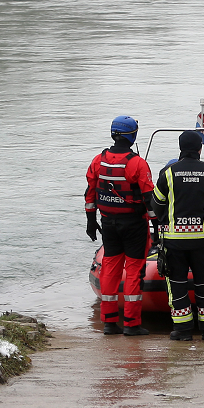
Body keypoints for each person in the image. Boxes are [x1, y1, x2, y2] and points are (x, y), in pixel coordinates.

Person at [151, 131, 204, 340]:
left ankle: (183, 331)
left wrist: (169, 219)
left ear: (180, 148)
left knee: (176, 285)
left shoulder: (168, 173)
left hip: (174, 242)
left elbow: (157, 204)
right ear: (200, 148)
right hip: (202, 241)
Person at [85, 115, 157, 336]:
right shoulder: (137, 163)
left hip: (108, 223)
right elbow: (149, 198)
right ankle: (131, 324)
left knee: (110, 269)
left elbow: (90, 193)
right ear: (133, 136)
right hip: (134, 225)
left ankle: (108, 322)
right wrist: (158, 225)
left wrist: (90, 221)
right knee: (134, 271)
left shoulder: (98, 160)